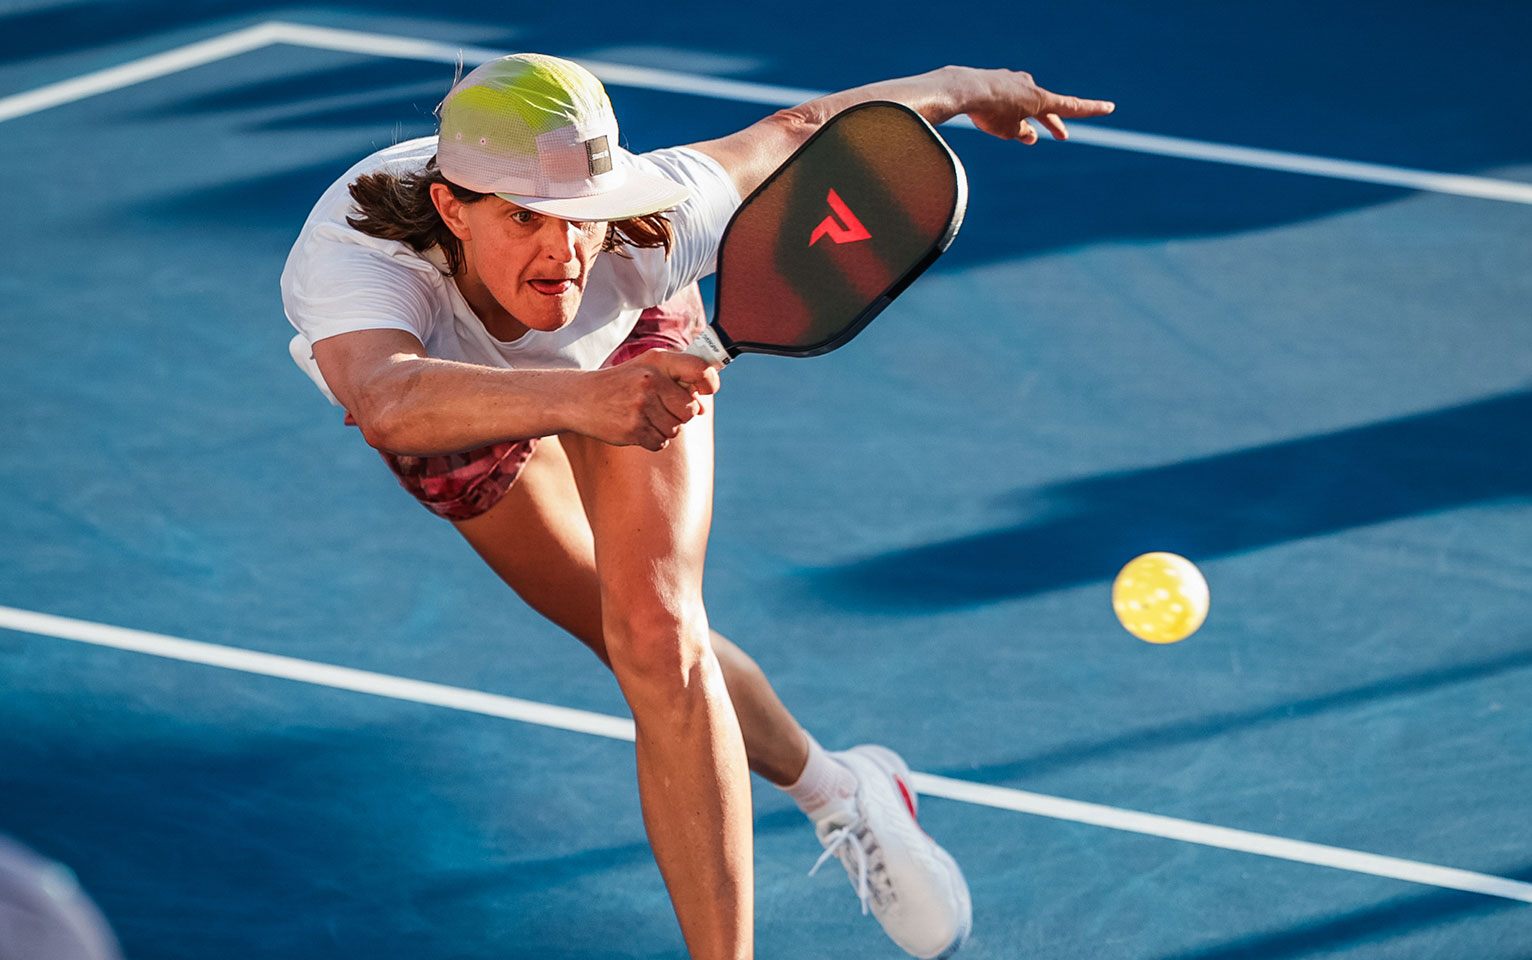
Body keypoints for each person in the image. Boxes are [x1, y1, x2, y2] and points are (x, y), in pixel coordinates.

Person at [280, 53, 1113, 960]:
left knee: (655, 635)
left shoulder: (652, 226)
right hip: (449, 398)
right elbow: (387, 400)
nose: (560, 254)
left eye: (579, 219)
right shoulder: (358, 260)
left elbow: (798, 131)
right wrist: (579, 404)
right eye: (524, 219)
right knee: (605, 627)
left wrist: (958, 86)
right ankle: (843, 788)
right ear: (453, 209)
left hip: (626, 341)